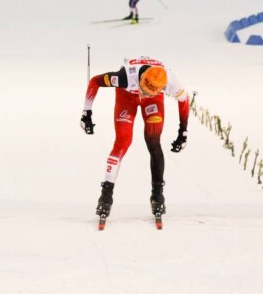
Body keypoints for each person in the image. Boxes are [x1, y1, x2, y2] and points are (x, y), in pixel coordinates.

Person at [80, 56, 189, 219]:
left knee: (153, 141)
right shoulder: (124, 77)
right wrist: (86, 112)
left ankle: (158, 195)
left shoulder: (171, 81)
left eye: (147, 93)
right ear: (141, 79)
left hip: (153, 100)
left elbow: (184, 100)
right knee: (123, 141)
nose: (142, 95)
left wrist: (183, 132)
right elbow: (95, 81)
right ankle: (106, 196)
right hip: (126, 96)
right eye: (142, 89)